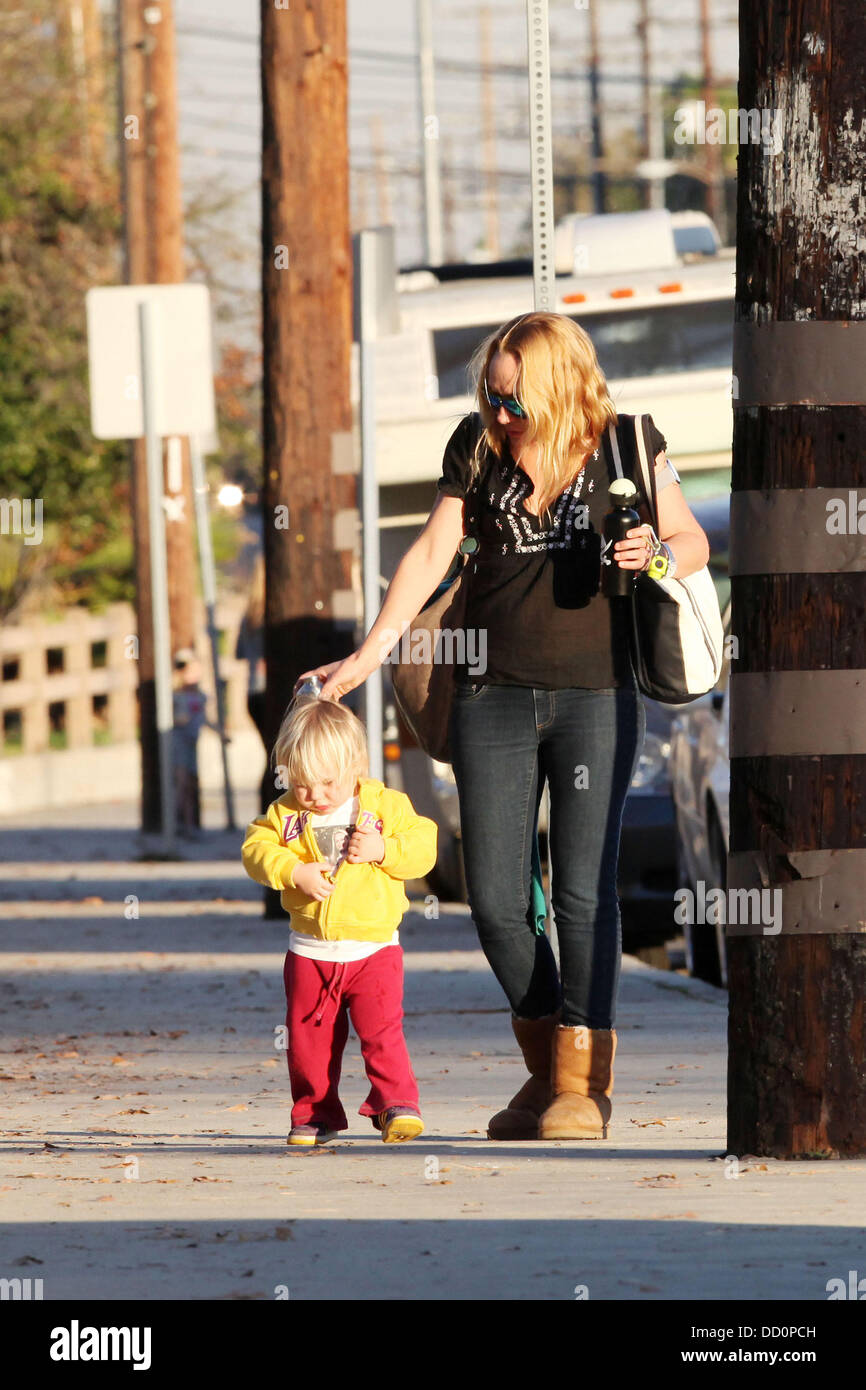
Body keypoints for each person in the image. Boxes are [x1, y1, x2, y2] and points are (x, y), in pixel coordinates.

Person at [295, 311, 710, 1142]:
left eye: (516, 398)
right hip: (491, 694)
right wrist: (367, 656)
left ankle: (582, 1090)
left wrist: (654, 558)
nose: (502, 412)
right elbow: (427, 556)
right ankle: (549, 1070)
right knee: (492, 896)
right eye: (493, 394)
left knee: (584, 894)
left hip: (597, 694)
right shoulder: (477, 448)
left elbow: (691, 540)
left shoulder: (627, 443)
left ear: (559, 386)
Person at [241, 695, 438, 1146]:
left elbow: (424, 844)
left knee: (381, 1032)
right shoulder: (286, 815)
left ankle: (397, 1105)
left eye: (327, 782)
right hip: (311, 952)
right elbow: (256, 850)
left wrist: (384, 850)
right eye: (302, 782)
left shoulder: (384, 807)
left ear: (355, 767)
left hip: (375, 950)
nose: (316, 795)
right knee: (309, 1041)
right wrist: (293, 871)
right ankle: (314, 1114)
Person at [172, 650, 225, 838]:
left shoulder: (201, 696)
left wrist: (221, 733)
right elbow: (171, 720)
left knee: (190, 785)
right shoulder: (176, 696)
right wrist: (180, 719)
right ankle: (176, 822)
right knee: (181, 783)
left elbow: (205, 719)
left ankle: (188, 825)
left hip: (192, 744)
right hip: (179, 744)